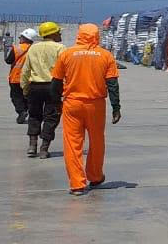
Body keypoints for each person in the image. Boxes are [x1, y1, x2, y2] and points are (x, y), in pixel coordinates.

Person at [51, 24, 121, 196]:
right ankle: (95, 176)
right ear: (96, 36)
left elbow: (56, 82)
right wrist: (116, 107)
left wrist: (56, 103)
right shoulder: (106, 55)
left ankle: (77, 184)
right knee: (97, 141)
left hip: (72, 104)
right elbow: (112, 84)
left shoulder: (67, 54)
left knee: (72, 144)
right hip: (96, 105)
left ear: (79, 35)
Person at [21, 22, 66, 158]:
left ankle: (32, 145)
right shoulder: (60, 48)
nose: (60, 34)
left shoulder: (33, 48)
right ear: (53, 34)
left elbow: (26, 70)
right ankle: (44, 148)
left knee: (34, 115)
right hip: (53, 86)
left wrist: (25, 88)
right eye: (58, 32)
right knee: (51, 117)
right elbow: (66, 70)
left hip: (35, 86)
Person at [5, 28, 38, 124]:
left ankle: (21, 111)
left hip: (15, 78)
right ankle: (28, 111)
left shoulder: (16, 48)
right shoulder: (35, 49)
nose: (20, 38)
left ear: (24, 38)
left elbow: (8, 61)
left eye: (21, 37)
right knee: (27, 96)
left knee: (16, 97)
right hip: (30, 78)